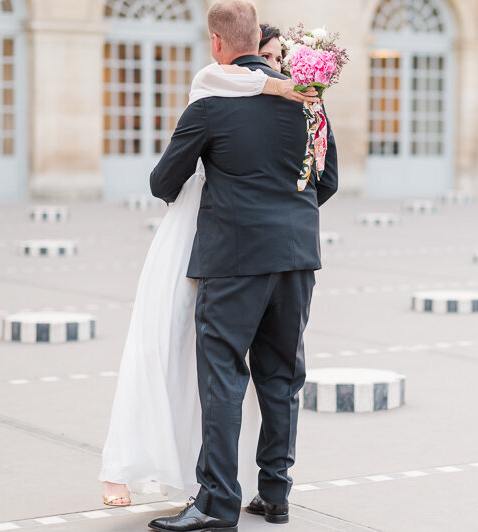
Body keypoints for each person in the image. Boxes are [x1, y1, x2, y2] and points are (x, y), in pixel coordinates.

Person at [98, 7, 329, 519]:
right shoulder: (310, 102)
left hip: (234, 258)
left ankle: (217, 501)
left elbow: (163, 184)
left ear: (217, 43)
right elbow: (325, 181)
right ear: (259, 40)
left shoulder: (211, 104)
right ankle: (274, 493)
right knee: (281, 377)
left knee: (222, 375)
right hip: (296, 256)